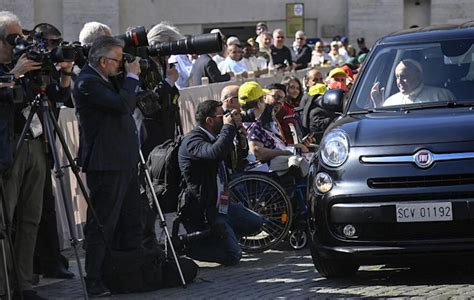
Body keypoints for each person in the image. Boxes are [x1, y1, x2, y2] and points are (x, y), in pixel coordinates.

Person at [0, 11, 72, 300]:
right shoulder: (14, 67)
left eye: (22, 35)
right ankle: (4, 286)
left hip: (35, 145)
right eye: (14, 36)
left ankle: (25, 283)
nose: (21, 41)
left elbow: (58, 96)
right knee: (4, 222)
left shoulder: (31, 64)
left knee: (31, 218)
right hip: (7, 150)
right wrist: (14, 74)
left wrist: (65, 72)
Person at [73, 36, 142, 297]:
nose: (121, 65)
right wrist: (132, 77)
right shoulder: (88, 82)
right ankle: (94, 279)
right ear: (103, 61)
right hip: (106, 164)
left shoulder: (105, 79)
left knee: (129, 219)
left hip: (123, 161)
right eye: (118, 60)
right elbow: (124, 105)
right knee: (102, 224)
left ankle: (123, 273)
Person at [178, 100, 264, 266]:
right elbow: (214, 153)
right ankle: (191, 248)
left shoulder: (216, 137)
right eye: (222, 116)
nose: (227, 119)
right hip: (206, 210)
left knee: (257, 223)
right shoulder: (193, 140)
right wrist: (228, 128)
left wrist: (240, 137)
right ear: (209, 120)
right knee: (233, 256)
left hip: (223, 205)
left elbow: (235, 163)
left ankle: (223, 235)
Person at [28, 23, 75, 281]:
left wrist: (65, 71)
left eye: (60, 42)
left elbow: (61, 96)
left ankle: (51, 259)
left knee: (47, 203)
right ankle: (32, 263)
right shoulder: (27, 66)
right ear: (38, 42)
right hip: (27, 141)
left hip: (46, 139)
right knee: (31, 206)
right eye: (52, 42)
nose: (57, 48)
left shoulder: (50, 69)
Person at [371, 59, 455, 107]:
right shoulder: (390, 102)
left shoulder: (441, 95)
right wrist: (379, 106)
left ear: (418, 76)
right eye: (397, 77)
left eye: (404, 76)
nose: (399, 82)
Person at [220, 85, 248, 172]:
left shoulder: (236, 115)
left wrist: (243, 143)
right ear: (231, 101)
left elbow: (243, 155)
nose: (243, 103)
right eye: (240, 99)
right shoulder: (220, 119)